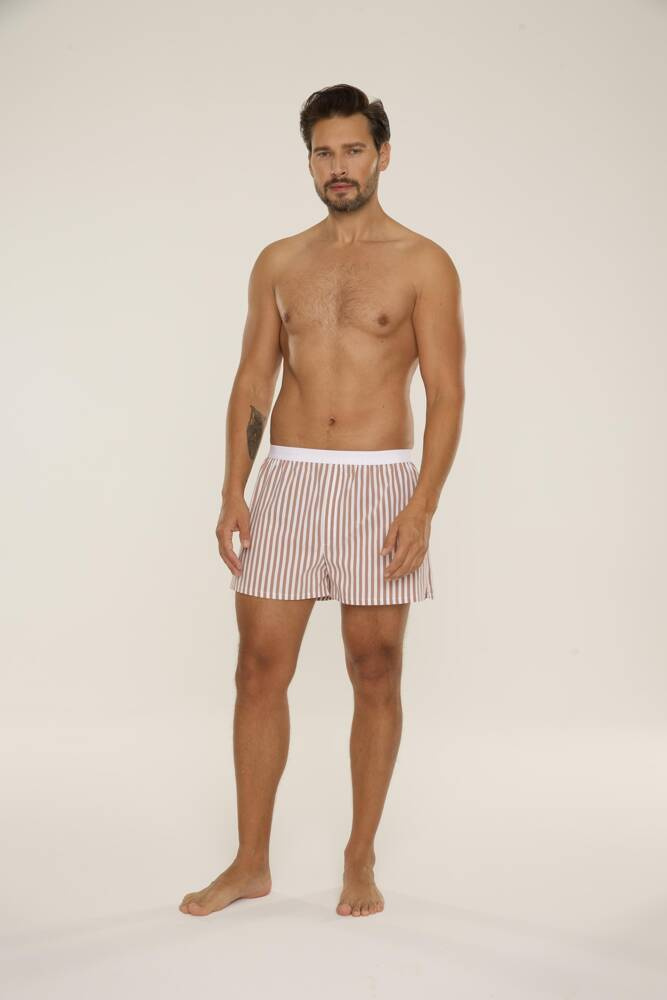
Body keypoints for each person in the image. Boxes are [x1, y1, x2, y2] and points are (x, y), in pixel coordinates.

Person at [180, 83, 465, 919]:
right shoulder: (279, 261)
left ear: (382, 154)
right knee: (256, 669)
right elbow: (252, 379)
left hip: (380, 483)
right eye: (323, 152)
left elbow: (447, 393)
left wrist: (423, 505)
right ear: (308, 160)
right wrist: (233, 488)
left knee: (374, 670)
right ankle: (250, 863)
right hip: (290, 479)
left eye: (352, 150)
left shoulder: (423, 262)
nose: (338, 166)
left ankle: (359, 857)